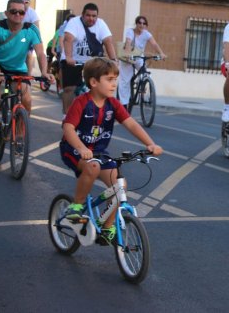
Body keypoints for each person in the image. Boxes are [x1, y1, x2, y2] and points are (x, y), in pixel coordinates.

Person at [60, 57, 163, 244]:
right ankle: (76, 207)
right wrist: (81, 148)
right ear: (93, 82)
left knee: (120, 186)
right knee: (92, 168)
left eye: (115, 79)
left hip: (99, 152)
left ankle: (107, 227)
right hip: (74, 150)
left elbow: (131, 124)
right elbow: (68, 128)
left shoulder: (113, 104)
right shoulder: (81, 102)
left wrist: (150, 144)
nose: (114, 83)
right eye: (109, 79)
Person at [0, 0, 54, 124]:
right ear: (6, 13)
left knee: (27, 99)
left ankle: (20, 134)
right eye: (13, 11)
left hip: (18, 67)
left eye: (21, 12)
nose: (17, 15)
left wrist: (44, 72)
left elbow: (40, 53)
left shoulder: (31, 29)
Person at [61, 2, 116, 115]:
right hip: (73, 60)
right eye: (88, 15)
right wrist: (69, 57)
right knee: (69, 89)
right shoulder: (74, 22)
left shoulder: (101, 24)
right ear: (82, 15)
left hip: (92, 62)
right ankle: (66, 115)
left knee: (99, 87)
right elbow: (68, 39)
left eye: (94, 16)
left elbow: (108, 42)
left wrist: (113, 60)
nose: (91, 18)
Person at [118, 15, 167, 111]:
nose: (142, 25)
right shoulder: (130, 32)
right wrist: (127, 55)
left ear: (146, 25)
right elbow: (128, 42)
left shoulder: (146, 34)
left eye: (144, 23)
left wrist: (161, 53)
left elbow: (154, 44)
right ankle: (123, 105)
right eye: (139, 23)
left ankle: (142, 87)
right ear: (136, 24)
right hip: (128, 57)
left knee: (145, 74)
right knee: (125, 81)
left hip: (139, 58)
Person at [19, 0, 41, 75]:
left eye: (26, 2)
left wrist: (36, 40)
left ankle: (28, 74)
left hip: (27, 36)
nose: (24, 4)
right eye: (22, 2)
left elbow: (36, 27)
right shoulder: (14, 11)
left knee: (28, 54)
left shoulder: (32, 13)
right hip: (14, 35)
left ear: (29, 3)